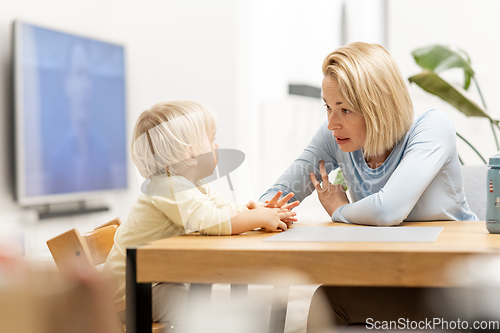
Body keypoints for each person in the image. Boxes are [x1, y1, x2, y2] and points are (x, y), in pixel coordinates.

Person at [259, 42, 478, 329]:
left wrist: (339, 209)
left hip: (454, 287)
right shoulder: (334, 138)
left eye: (345, 110)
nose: (332, 123)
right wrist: (263, 209)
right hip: (390, 278)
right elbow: (278, 195)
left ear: (379, 106)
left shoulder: (431, 127)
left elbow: (388, 210)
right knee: (326, 300)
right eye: (328, 107)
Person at [104, 100, 298, 329]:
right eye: (211, 139)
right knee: (202, 313)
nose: (217, 145)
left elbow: (222, 210)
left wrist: (258, 210)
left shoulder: (191, 186)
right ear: (191, 153)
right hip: (131, 294)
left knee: (204, 305)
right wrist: (258, 218)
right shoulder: (166, 187)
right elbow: (212, 221)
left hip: (153, 281)